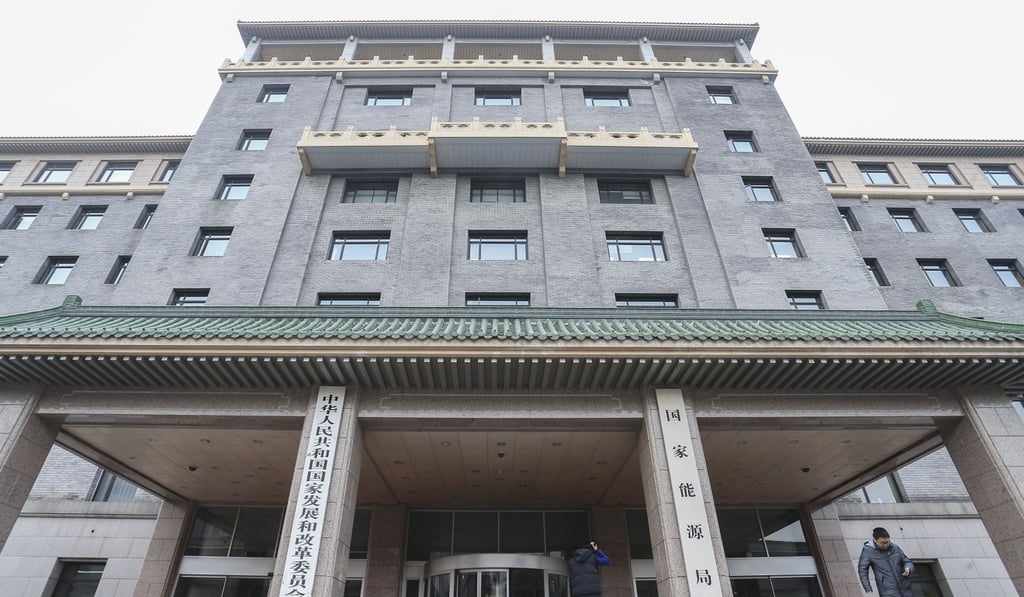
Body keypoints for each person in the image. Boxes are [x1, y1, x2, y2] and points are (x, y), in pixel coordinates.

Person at [858, 527, 914, 596]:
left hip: (905, 588)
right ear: (875, 540)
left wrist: (908, 568)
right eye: (882, 543)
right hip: (887, 591)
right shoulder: (868, 551)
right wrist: (867, 587)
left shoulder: (895, 548)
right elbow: (862, 569)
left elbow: (907, 561)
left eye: (887, 542)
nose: (885, 545)